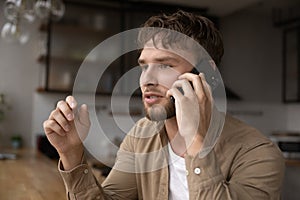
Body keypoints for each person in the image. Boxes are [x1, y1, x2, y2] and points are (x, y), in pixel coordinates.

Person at [43, 10, 285, 200]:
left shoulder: (258, 153)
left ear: (205, 73)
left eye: (165, 65)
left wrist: (196, 142)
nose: (147, 80)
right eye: (143, 65)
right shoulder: (141, 135)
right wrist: (71, 153)